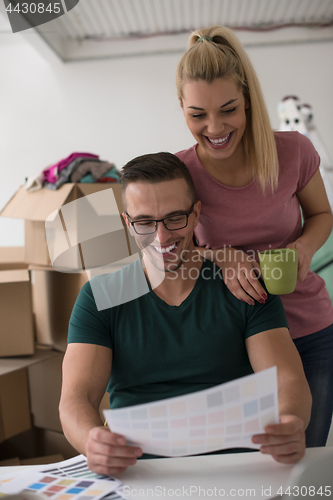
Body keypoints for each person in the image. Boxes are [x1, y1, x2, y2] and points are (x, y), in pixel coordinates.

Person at [59, 152, 311, 477]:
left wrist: (290, 421)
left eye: (174, 218)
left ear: (196, 215)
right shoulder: (99, 297)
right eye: (145, 222)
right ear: (127, 222)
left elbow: (288, 380)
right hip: (138, 471)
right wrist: (91, 439)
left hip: (237, 469)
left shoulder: (244, 288)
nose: (161, 237)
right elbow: (75, 398)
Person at [175, 26, 333, 447]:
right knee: (244, 472)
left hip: (310, 329)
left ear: (248, 100)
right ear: (181, 108)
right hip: (231, 339)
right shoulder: (179, 173)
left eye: (228, 109)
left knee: (302, 461)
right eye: (198, 115)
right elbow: (168, 253)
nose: (215, 128)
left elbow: (321, 214)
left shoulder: (294, 152)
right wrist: (218, 256)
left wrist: (304, 246)